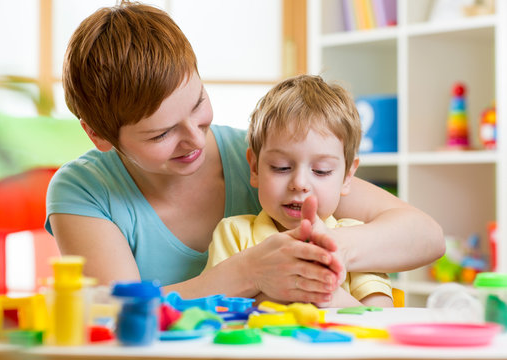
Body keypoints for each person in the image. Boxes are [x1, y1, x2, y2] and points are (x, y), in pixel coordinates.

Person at [45, 1, 444, 304]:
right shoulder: (84, 190)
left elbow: (425, 236)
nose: (195, 140)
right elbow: (120, 314)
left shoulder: (270, 160)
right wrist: (247, 273)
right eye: (162, 133)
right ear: (99, 136)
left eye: (198, 104)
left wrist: (329, 250)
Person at [205, 75, 393, 307]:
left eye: (321, 171)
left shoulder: (356, 240)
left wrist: (325, 294)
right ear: (254, 167)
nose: (299, 183)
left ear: (347, 177)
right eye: (281, 167)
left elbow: (381, 318)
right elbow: (216, 311)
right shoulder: (234, 234)